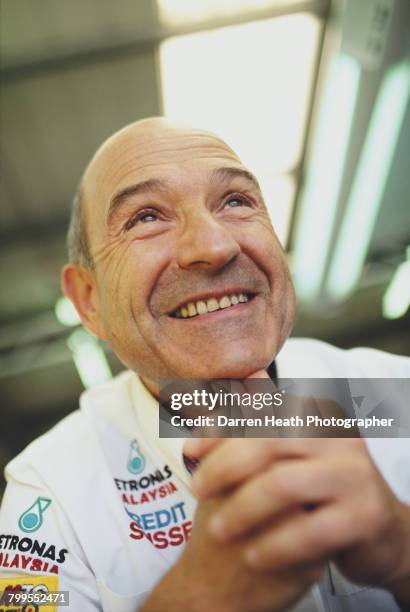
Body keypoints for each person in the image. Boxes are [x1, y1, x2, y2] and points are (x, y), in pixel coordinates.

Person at [0, 118, 409, 612]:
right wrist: (199, 598)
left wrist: (400, 551)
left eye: (236, 201)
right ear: (89, 302)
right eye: (146, 217)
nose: (214, 246)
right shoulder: (50, 493)